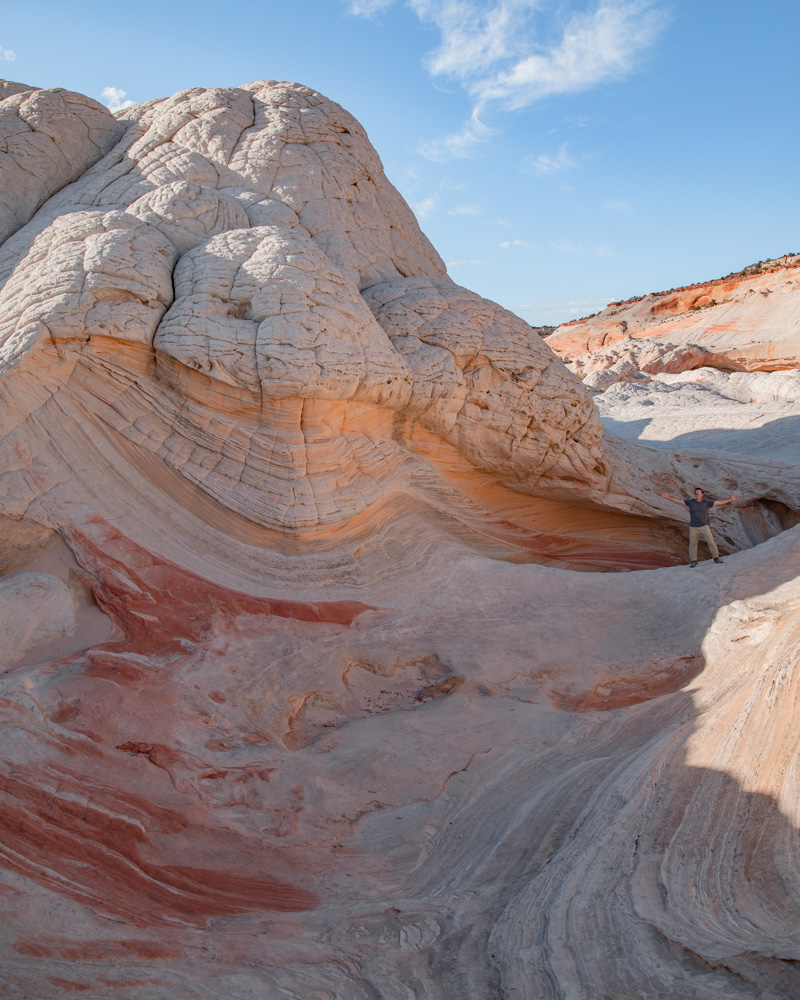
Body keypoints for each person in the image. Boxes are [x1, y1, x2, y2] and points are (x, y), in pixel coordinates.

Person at [659, 487, 739, 567]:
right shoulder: (691, 502)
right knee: (693, 544)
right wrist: (668, 497)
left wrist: (730, 499)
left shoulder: (706, 502)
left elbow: (719, 502)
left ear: (702, 494)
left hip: (704, 526)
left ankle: (716, 558)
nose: (698, 495)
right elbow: (679, 501)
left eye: (699, 493)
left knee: (711, 542)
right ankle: (694, 561)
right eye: (696, 493)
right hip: (694, 527)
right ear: (694, 495)